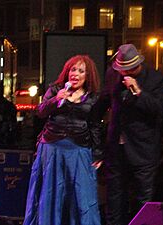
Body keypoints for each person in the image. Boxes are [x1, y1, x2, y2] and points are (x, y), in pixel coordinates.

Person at [23, 55, 103, 225]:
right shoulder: (55, 89)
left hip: (78, 150)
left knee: (81, 195)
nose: (75, 74)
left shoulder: (93, 97)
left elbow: (95, 125)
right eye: (73, 70)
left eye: (81, 71)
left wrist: (97, 153)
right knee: (51, 193)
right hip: (52, 148)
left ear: (88, 76)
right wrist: (57, 99)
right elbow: (41, 111)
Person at [98, 44, 163, 225]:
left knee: (142, 199)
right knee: (114, 199)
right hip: (116, 148)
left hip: (143, 150)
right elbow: (103, 102)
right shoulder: (113, 75)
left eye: (127, 69)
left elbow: (159, 111)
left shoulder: (155, 79)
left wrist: (138, 92)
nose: (123, 73)